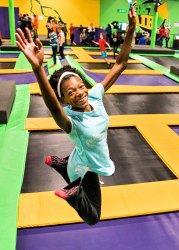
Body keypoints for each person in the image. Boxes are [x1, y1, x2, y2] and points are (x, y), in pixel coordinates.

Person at [15, 3, 137, 225]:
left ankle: (62, 163)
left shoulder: (95, 95)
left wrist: (130, 29)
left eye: (81, 86)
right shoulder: (72, 121)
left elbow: (120, 63)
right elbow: (53, 107)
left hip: (80, 155)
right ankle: (74, 193)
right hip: (85, 165)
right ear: (63, 99)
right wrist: (37, 69)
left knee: (77, 160)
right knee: (92, 216)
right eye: (71, 92)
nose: (80, 93)